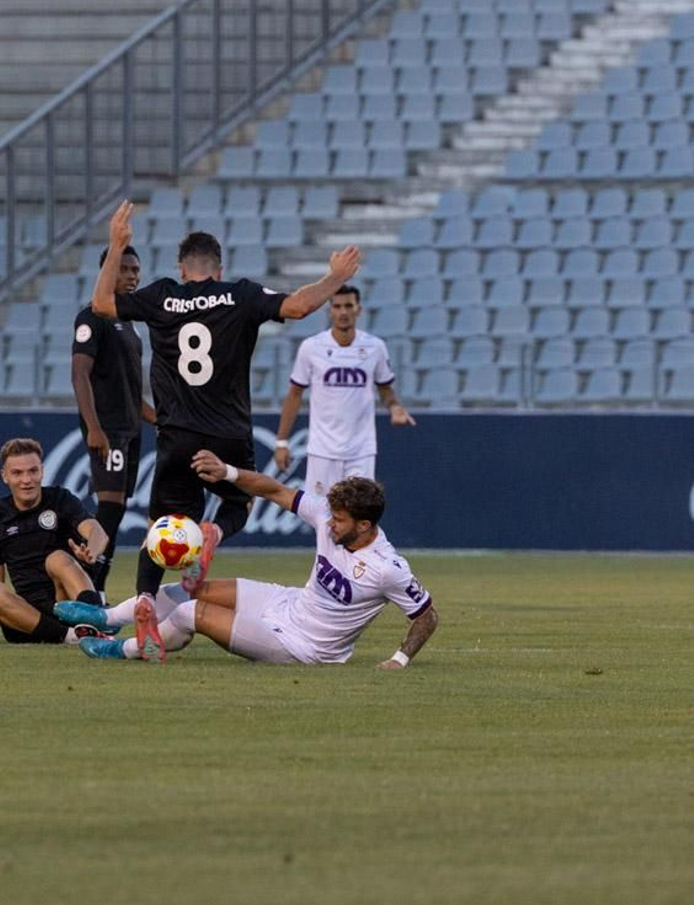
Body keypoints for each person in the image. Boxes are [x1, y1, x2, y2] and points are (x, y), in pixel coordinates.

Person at [91, 199, 360, 604]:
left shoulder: (162, 295)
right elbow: (300, 307)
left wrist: (116, 245)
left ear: (182, 269)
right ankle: (214, 532)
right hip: (229, 432)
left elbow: (102, 305)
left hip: (177, 433)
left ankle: (145, 600)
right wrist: (334, 277)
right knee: (243, 498)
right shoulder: (240, 295)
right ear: (220, 270)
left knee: (161, 524)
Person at [71, 450, 437, 668]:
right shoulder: (329, 517)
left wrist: (399, 660)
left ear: (365, 524)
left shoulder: (387, 568)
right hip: (289, 602)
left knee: (188, 614)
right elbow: (274, 489)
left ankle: (121, 650)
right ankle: (107, 617)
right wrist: (227, 472)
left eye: (340, 520)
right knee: (189, 589)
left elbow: (426, 616)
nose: (330, 523)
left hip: (304, 647)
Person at [0, 438, 112, 646]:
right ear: (5, 476)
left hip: (68, 604)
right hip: (28, 619)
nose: (26, 480)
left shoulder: (60, 499)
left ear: (42, 471)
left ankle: (94, 622)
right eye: (17, 473)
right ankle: (73, 636)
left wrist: (91, 550)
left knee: (57, 559)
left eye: (32, 471)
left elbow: (97, 531)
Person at [273, 284, 415, 494]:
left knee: (360, 518)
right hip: (322, 450)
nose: (343, 312)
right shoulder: (311, 347)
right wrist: (282, 442)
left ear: (359, 309)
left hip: (361, 450)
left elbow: (385, 389)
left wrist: (395, 407)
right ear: (330, 310)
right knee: (322, 516)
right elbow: (295, 393)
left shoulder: (375, 347)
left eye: (349, 306)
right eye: (337, 306)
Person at [71, 244, 155, 598]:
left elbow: (132, 392)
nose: (132, 276)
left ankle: (93, 587)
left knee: (116, 511)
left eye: (136, 270)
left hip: (130, 430)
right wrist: (94, 427)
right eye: (124, 269)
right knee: (109, 508)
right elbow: (79, 374)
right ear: (106, 271)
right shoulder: (93, 316)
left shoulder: (128, 323)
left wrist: (160, 420)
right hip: (109, 430)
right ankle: (87, 590)